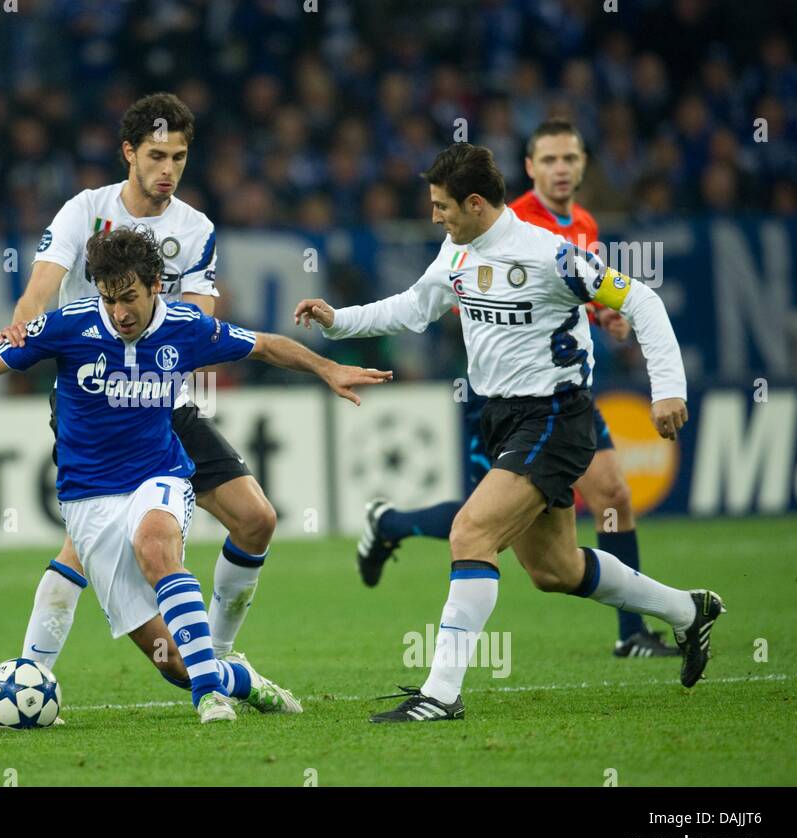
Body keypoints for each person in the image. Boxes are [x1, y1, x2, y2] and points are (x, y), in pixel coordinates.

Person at [294, 143, 724, 723]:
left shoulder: (550, 256)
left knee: (470, 532)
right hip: (501, 415)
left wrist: (668, 388)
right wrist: (338, 321)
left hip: (554, 415)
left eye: (442, 205)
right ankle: (687, 610)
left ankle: (441, 696)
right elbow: (414, 307)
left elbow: (640, 299)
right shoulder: (458, 250)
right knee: (556, 570)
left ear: (475, 203)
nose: (434, 216)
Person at [0, 226, 389, 722]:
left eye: (129, 297)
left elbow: (263, 345)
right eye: (109, 299)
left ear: (156, 284)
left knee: (156, 543)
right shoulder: (69, 327)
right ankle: (236, 679)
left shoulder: (186, 326)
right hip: (88, 499)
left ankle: (210, 700)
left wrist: (328, 368)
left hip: (160, 474)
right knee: (174, 662)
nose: (120, 312)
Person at [357, 120, 676, 659]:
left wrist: (603, 315)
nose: (561, 169)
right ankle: (389, 522)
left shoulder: (582, 224)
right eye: (549, 159)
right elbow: (450, 295)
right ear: (528, 168)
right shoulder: (505, 221)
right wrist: (341, 321)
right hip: (500, 398)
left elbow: (572, 295)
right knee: (492, 531)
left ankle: (635, 632)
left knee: (608, 497)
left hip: (559, 394)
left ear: (582, 166)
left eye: (570, 159)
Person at [0, 93, 278, 682]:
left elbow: (198, 318)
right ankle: (32, 670)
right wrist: (24, 325)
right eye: (156, 156)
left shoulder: (195, 228)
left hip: (161, 399)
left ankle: (217, 652)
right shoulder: (86, 210)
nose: (168, 171)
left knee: (256, 519)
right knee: (82, 543)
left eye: (178, 157)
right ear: (129, 152)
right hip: (94, 397)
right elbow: (40, 286)